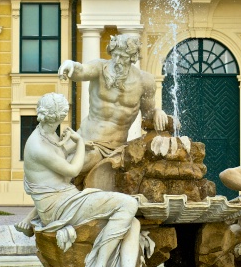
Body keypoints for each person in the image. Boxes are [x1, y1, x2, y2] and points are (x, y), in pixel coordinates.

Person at [14, 93, 150, 267]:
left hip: (67, 200)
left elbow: (50, 183)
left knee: (131, 222)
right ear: (59, 116)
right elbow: (72, 171)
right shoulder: (38, 146)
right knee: (129, 203)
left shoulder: (49, 137)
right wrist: (79, 143)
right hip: (60, 208)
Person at [58, 33, 169, 178]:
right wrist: (70, 65)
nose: (117, 61)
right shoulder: (100, 68)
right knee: (58, 162)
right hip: (86, 136)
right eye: (114, 55)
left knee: (82, 162)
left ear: (132, 57)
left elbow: (147, 115)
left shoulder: (144, 81)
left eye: (122, 57)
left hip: (114, 146)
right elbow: (82, 71)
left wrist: (157, 112)